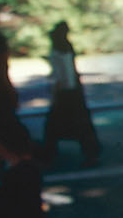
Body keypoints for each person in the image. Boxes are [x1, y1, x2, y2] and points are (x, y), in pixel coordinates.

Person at [42, 21, 101, 167]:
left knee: (55, 126)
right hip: (72, 93)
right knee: (78, 126)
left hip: (66, 94)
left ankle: (50, 155)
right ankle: (89, 153)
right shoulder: (65, 48)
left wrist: (57, 93)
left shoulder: (59, 50)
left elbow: (65, 78)